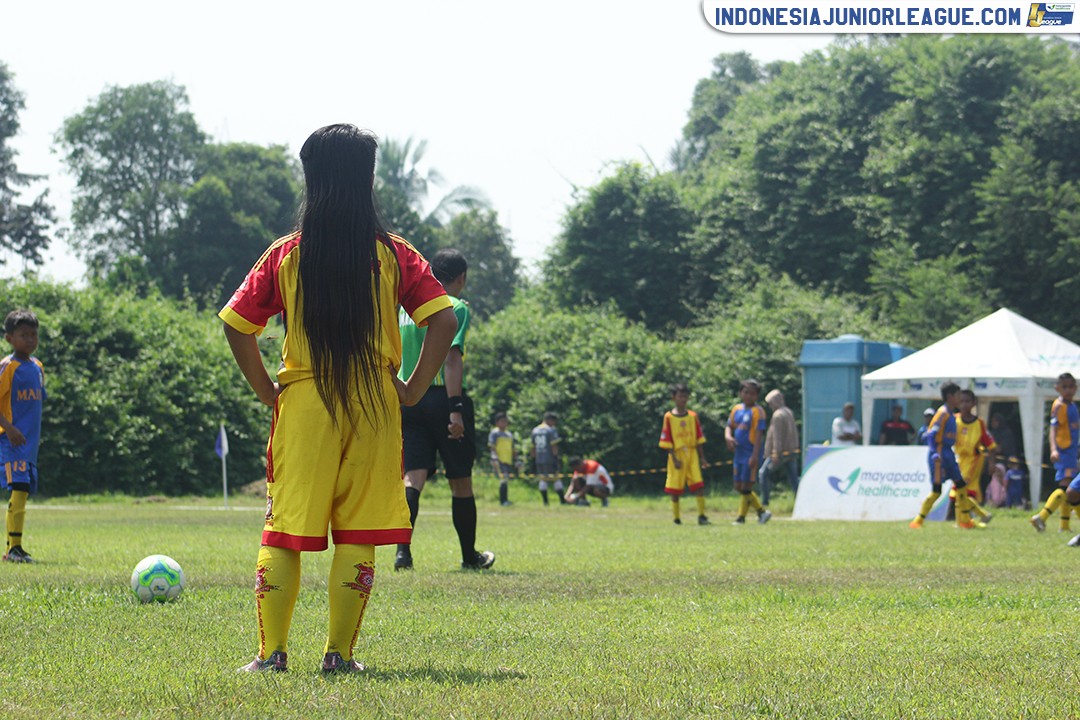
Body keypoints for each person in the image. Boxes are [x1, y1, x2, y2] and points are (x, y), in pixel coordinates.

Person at [220, 124, 458, 673]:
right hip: (375, 400)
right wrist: (415, 388)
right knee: (360, 528)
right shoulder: (395, 254)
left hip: (305, 398)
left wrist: (266, 390)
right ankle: (338, 656)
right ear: (366, 180)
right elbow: (443, 320)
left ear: (313, 178)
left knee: (284, 527)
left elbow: (237, 324)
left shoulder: (286, 253)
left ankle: (272, 654)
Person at [396, 248, 495, 572]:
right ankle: (469, 556)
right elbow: (452, 359)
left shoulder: (404, 312)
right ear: (461, 278)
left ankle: (403, 554)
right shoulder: (455, 307)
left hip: (408, 401)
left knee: (413, 479)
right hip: (442, 397)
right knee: (460, 480)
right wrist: (456, 410)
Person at [0, 310, 45, 564]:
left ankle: (14, 547)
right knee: (19, 489)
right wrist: (9, 428)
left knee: (23, 490)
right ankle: (14, 549)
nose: (30, 339)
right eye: (23, 335)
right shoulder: (7, 367)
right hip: (11, 441)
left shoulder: (37, 366)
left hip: (29, 444)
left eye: (34, 334)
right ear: (9, 338)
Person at [910, 382, 976, 529]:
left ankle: (965, 521)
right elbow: (930, 434)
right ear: (950, 396)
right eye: (958, 395)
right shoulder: (943, 413)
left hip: (948, 452)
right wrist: (934, 453)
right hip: (939, 453)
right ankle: (918, 521)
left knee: (961, 485)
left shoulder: (951, 414)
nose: (960, 398)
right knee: (936, 491)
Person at [1032, 373, 1078, 533]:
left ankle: (1064, 526)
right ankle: (1042, 516)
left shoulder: (1072, 406)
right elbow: (1053, 429)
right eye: (1064, 387)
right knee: (1067, 489)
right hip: (1063, 452)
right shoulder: (1059, 406)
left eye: (1071, 386)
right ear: (1057, 388)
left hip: (1071, 452)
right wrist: (1053, 449)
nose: (1068, 390)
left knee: (1069, 488)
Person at [658, 383, 709, 525]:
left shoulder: (693, 416)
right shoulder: (669, 417)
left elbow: (699, 438)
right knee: (675, 488)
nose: (683, 399)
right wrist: (674, 458)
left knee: (699, 485)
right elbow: (666, 440)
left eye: (685, 396)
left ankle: (702, 516)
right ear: (673, 397)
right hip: (677, 454)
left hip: (692, 454)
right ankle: (676, 518)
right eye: (680, 396)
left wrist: (702, 458)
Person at [725, 379, 771, 525]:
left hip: (750, 452)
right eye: (745, 392)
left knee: (746, 486)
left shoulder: (758, 412)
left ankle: (741, 517)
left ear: (757, 396)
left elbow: (758, 435)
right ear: (740, 393)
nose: (748, 396)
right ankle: (761, 512)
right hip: (738, 453)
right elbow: (729, 426)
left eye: (752, 394)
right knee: (738, 486)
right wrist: (728, 437)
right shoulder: (736, 409)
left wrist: (755, 455)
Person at [951, 389, 994, 527]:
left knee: (960, 490)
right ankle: (975, 517)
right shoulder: (954, 420)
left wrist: (992, 463)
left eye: (967, 401)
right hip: (959, 460)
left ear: (974, 403)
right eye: (961, 401)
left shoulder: (979, 423)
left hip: (973, 460)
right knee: (958, 493)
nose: (964, 405)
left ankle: (963, 522)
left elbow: (991, 445)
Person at [759, 389, 800, 507]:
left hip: (780, 452)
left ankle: (764, 502)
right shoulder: (788, 412)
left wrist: (775, 453)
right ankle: (799, 501)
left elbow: (777, 437)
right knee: (793, 479)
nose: (770, 405)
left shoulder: (777, 415)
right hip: (791, 451)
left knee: (763, 473)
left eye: (770, 403)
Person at [531, 412, 564, 506]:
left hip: (539, 459)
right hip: (549, 458)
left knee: (543, 479)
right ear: (550, 420)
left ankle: (545, 501)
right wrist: (557, 457)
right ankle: (562, 500)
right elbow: (554, 446)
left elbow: (533, 447)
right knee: (556, 478)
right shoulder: (550, 430)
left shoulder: (535, 430)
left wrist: (533, 459)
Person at [488, 412, 516, 507]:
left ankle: (505, 500)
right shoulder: (495, 433)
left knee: (506, 479)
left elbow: (512, 448)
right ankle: (502, 501)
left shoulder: (509, 434)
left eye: (506, 421)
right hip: (498, 460)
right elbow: (492, 446)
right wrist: (494, 457)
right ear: (497, 422)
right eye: (502, 421)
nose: (504, 423)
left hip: (507, 459)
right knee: (503, 480)